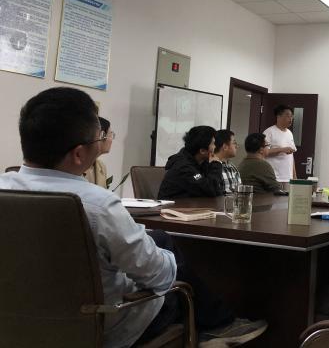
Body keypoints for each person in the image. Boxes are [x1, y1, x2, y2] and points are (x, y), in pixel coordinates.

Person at [0, 87, 266, 347]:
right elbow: (158, 276)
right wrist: (166, 258)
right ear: (79, 154)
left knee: (158, 238)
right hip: (102, 327)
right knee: (171, 269)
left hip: (14, 325)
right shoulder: (98, 204)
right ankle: (220, 326)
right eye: (99, 138)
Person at [158, 126, 225, 199]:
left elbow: (218, 190)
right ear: (202, 151)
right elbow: (211, 190)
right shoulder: (183, 167)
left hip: (193, 205)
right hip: (173, 205)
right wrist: (216, 164)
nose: (215, 147)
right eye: (213, 143)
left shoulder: (201, 162)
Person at [263, 105, 297, 189]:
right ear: (278, 116)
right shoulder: (269, 132)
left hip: (288, 178)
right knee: (274, 198)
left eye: (292, 116)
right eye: (287, 115)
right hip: (274, 177)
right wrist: (282, 149)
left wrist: (294, 176)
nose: (290, 118)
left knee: (288, 198)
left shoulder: (289, 133)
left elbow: (291, 156)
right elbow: (264, 152)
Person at [84, 116, 113, 188]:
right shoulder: (77, 165)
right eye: (111, 135)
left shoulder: (101, 166)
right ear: (101, 135)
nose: (111, 140)